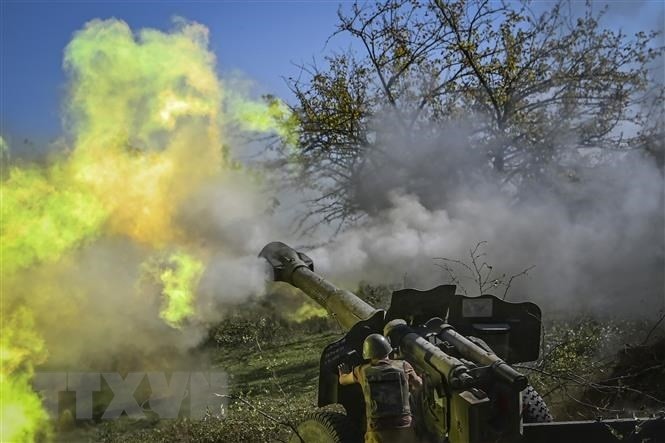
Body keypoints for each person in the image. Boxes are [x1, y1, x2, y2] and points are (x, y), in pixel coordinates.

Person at [339, 333, 422, 443]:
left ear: (367, 354)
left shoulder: (362, 371)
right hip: (404, 428)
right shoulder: (403, 366)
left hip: (377, 431)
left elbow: (343, 381)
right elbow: (418, 385)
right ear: (388, 349)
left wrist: (342, 374)